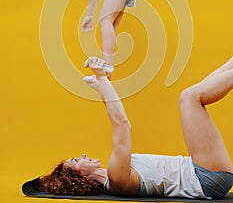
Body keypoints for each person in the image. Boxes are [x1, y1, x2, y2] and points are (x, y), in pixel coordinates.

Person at [34, 56, 233, 199]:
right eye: (77, 160)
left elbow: (116, 116)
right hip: (205, 178)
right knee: (189, 98)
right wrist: (102, 80)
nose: (83, 155)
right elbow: (121, 124)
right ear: (79, 177)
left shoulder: (114, 174)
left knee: (198, 91)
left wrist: (103, 87)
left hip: (202, 171)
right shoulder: (116, 178)